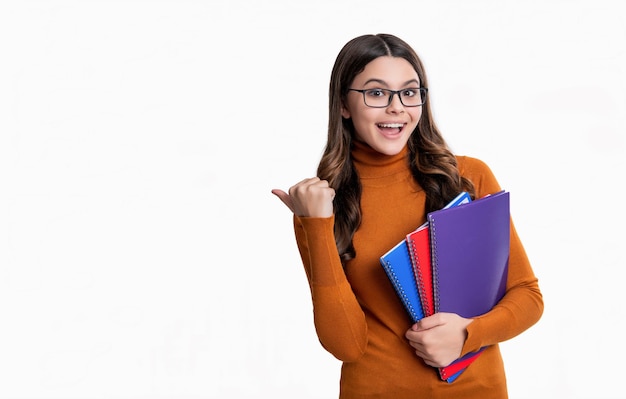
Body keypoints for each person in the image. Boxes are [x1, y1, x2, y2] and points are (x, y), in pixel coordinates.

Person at [271, 33, 543, 398]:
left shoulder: (468, 177)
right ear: (343, 104)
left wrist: (467, 334)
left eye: (409, 92)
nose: (397, 107)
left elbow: (527, 297)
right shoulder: (319, 205)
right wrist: (317, 225)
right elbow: (346, 346)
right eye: (377, 93)